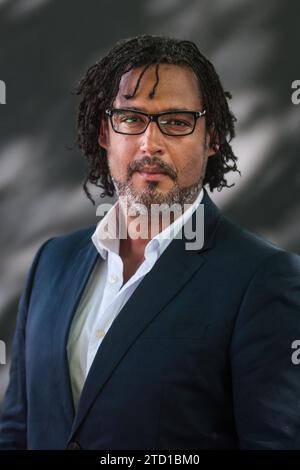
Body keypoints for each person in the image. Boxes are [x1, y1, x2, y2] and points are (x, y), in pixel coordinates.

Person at [0, 34, 300, 451]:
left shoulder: (265, 279)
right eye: (131, 119)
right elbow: (16, 430)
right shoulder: (52, 261)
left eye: (176, 122)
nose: (150, 143)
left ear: (211, 138)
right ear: (105, 132)